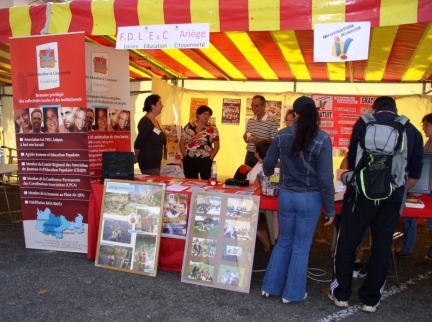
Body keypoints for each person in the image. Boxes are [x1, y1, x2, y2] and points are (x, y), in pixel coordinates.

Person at [329, 96, 423, 313]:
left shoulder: (363, 122)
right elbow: (416, 170)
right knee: (382, 246)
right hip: (391, 197)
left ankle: (341, 294)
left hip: (360, 195)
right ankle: (370, 300)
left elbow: (352, 161)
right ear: (396, 109)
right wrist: (398, 188)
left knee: (347, 244)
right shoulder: (409, 128)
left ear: (374, 108)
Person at [261, 96, 335, 303]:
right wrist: (330, 209)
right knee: (301, 245)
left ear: (294, 113)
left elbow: (268, 163)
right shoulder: (322, 139)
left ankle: (269, 286)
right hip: (309, 198)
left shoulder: (282, 134)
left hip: (286, 195)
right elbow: (325, 179)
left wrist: (270, 175)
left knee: (284, 240)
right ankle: (292, 293)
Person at [396, 112, 432, 267]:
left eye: (427, 125)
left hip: (428, 187)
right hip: (421, 185)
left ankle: (431, 254)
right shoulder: (427, 142)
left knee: (431, 222)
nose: (424, 128)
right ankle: (407, 248)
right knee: (410, 216)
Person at [180, 105, 220, 180]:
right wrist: (185, 156)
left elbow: (217, 146)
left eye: (208, 114)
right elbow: (182, 142)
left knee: (206, 182)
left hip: (205, 159)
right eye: (204, 114)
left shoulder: (212, 128)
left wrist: (210, 159)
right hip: (190, 158)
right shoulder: (189, 126)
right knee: (191, 181)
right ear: (198, 114)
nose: (206, 116)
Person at [134, 94, 167, 175]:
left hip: (155, 162)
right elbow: (138, 142)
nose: (162, 106)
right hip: (148, 163)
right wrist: (136, 156)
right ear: (153, 107)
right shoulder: (145, 122)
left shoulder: (155, 121)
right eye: (160, 103)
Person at [243, 95, 278, 167]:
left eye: (256, 106)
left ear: (264, 105)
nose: (253, 108)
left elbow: (275, 142)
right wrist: (245, 137)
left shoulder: (272, 121)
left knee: (261, 177)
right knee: (248, 177)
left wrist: (259, 140)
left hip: (263, 156)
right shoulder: (251, 121)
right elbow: (247, 141)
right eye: (252, 106)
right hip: (250, 154)